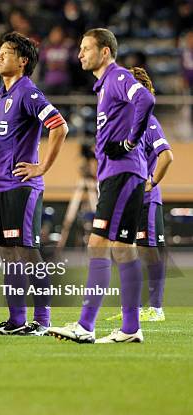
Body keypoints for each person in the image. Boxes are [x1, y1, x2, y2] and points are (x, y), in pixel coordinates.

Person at [49, 28, 155, 344]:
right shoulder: (103, 86)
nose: (80, 54)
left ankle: (85, 325)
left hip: (123, 174)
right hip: (118, 175)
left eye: (85, 48)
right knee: (122, 249)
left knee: (99, 244)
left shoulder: (117, 77)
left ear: (104, 51)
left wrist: (130, 141)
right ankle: (131, 328)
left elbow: (146, 98)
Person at [0, 32, 68, 336]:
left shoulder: (28, 93)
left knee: (27, 252)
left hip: (22, 187)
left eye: (5, 52)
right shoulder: (3, 94)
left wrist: (42, 166)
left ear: (22, 61)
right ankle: (16, 320)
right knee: (8, 253)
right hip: (1, 186)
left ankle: (43, 321)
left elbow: (59, 125)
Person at [106, 67, 174, 322]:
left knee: (149, 251)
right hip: (126, 199)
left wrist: (152, 182)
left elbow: (167, 156)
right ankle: (131, 309)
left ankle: (155, 308)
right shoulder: (124, 124)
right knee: (124, 252)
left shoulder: (149, 121)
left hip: (146, 199)